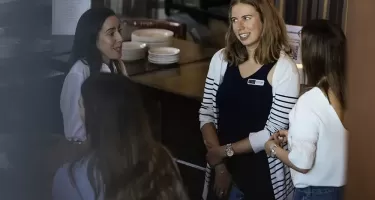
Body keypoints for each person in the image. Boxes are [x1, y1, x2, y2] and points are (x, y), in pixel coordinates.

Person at [199, 0, 300, 199]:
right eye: (234, 20)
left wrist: (225, 151)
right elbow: (206, 111)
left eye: (246, 18)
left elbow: (273, 131)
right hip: (224, 173)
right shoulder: (221, 59)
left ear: (265, 20)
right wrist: (220, 166)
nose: (240, 26)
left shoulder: (284, 69)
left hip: (263, 178)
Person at [53, 74, 189, 200]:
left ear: (93, 116)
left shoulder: (71, 179)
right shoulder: (162, 159)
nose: (79, 111)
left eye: (81, 105)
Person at [264, 19, 347, 200]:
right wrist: (293, 135)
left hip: (313, 193)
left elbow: (302, 163)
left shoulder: (308, 102)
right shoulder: (348, 95)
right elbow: (331, 139)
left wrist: (272, 148)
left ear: (313, 56)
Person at [60, 7, 127, 142]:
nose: (120, 38)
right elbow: (75, 135)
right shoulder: (78, 74)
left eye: (119, 31)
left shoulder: (118, 64)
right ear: (93, 38)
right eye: (111, 33)